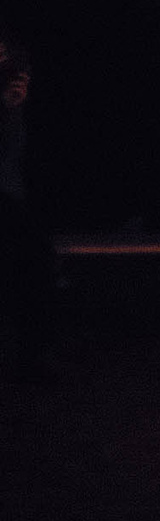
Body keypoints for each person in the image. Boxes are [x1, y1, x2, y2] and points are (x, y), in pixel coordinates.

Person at [0, 28, 55, 384]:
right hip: (6, 193)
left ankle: (27, 359)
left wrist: (13, 105)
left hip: (11, 191)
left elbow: (14, 150)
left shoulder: (14, 62)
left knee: (32, 262)